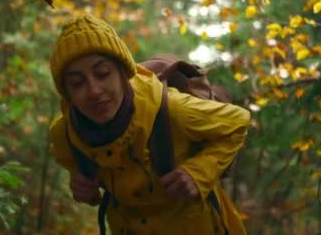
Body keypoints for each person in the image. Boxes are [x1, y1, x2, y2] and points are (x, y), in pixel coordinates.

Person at [48, 14, 250, 234]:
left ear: (123, 74)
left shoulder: (172, 110)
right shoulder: (65, 134)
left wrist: (199, 172)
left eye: (103, 74)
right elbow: (76, 170)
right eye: (77, 83)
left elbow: (237, 120)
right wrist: (82, 186)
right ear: (67, 94)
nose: (94, 91)